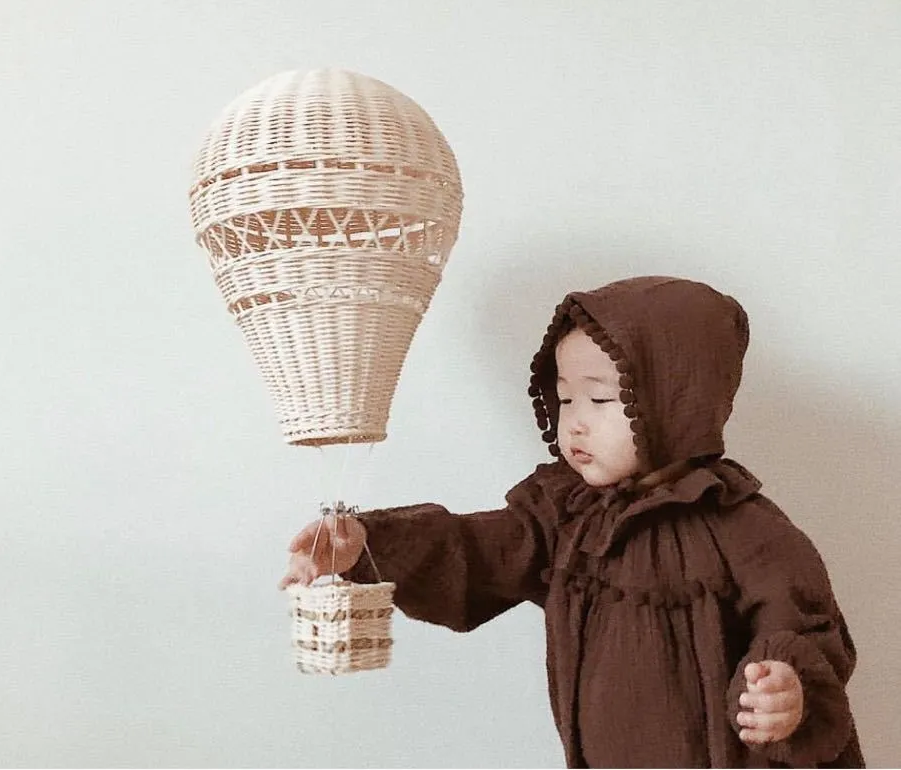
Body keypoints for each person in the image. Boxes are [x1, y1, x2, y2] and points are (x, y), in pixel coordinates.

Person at [279, 275, 864, 768]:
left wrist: (788, 690)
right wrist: (365, 545)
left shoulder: (747, 531)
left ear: (676, 401)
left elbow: (806, 630)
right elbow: (475, 549)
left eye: (601, 400)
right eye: (565, 399)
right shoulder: (566, 515)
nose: (576, 422)